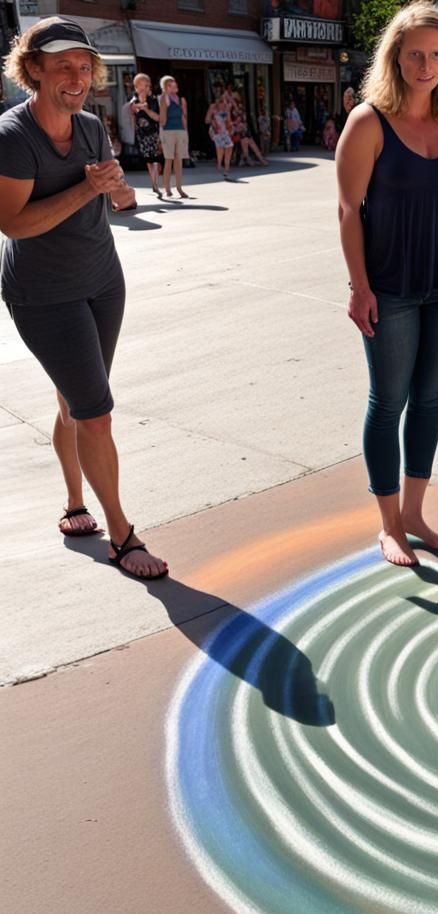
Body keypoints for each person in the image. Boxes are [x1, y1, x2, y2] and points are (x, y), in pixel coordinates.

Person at [0, 17, 168, 580]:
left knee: (76, 403)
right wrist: (88, 188)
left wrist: (119, 191)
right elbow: (13, 223)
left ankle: (75, 503)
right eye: (61, 66)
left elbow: (114, 200)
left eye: (82, 66)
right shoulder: (12, 137)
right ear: (34, 69)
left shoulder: (92, 126)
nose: (75, 77)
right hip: (45, 295)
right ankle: (122, 536)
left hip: (103, 281)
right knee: (96, 414)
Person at [337, 0, 438, 567]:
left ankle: (415, 514)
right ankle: (389, 525)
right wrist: (359, 286)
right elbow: (348, 211)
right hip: (390, 288)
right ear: (395, 59)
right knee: (389, 401)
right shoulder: (368, 122)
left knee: (428, 399)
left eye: (436, 54)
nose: (426, 65)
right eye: (415, 55)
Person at [129, 73, 162, 196]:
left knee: (156, 160)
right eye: (141, 87)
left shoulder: (154, 100)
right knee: (149, 160)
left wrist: (146, 109)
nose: (144, 89)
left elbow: (158, 118)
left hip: (154, 134)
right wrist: (139, 105)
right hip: (142, 135)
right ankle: (154, 183)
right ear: (136, 87)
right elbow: (132, 108)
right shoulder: (134, 100)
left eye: (146, 86)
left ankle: (155, 183)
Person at [158, 74, 190, 199]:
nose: (173, 86)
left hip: (180, 131)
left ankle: (179, 187)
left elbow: (184, 117)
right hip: (168, 131)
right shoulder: (164, 98)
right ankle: (167, 188)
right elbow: (162, 119)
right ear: (165, 86)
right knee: (169, 159)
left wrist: (186, 133)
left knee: (179, 160)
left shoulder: (181, 99)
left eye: (173, 83)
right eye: (169, 84)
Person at [206, 94, 235, 178]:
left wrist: (228, 112)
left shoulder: (226, 109)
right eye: (222, 101)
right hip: (216, 131)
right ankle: (219, 164)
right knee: (221, 148)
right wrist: (213, 122)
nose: (224, 103)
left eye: (225, 101)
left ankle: (226, 168)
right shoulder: (213, 108)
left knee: (229, 147)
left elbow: (228, 121)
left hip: (225, 131)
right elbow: (207, 120)